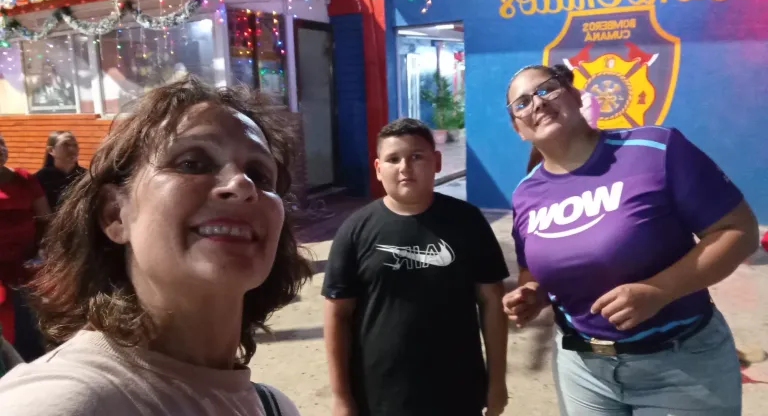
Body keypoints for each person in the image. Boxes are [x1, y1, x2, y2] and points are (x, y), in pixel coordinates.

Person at [0, 77, 312, 415]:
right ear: (114, 214)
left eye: (260, 174)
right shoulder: (57, 403)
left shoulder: (275, 407)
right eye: (192, 163)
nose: (241, 184)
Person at [503, 64, 759, 415]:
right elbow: (531, 270)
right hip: (582, 372)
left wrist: (660, 290)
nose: (538, 103)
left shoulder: (656, 149)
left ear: (576, 96)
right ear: (518, 129)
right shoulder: (525, 194)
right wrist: (533, 293)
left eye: (547, 89)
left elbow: (739, 230)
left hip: (682, 368)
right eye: (522, 103)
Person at [323, 118, 509, 416]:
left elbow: (492, 303)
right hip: (378, 397)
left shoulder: (468, 222)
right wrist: (341, 397)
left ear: (437, 162)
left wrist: (497, 382)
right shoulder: (355, 230)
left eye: (416, 157)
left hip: (458, 394)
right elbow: (337, 315)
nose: (404, 167)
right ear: (378, 168)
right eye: (393, 159)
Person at [0, 133, 51, 361]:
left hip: (25, 264)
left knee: (28, 323)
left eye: (2, 143)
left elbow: (45, 218)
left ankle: (31, 365)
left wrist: (43, 253)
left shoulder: (24, 178)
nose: (0, 149)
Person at [35, 131, 85, 211]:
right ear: (51, 150)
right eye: (65, 144)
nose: (72, 149)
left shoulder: (87, 177)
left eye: (75, 145)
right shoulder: (38, 180)